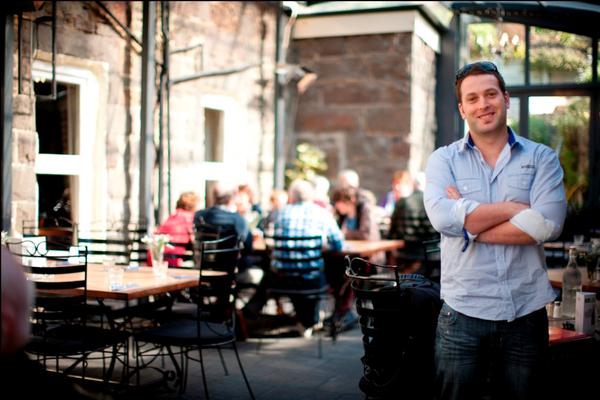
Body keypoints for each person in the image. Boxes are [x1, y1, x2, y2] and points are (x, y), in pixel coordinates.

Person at [424, 61, 567, 400]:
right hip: (461, 315)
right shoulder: (443, 161)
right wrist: (513, 210)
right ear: (462, 109)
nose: (482, 104)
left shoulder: (542, 158)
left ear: (506, 98)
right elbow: (442, 219)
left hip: (526, 315)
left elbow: (548, 224)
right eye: (472, 98)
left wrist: (467, 225)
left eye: (490, 94)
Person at [242, 179, 344, 336]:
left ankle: (248, 313)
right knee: (322, 273)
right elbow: (338, 245)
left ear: (291, 196)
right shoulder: (322, 214)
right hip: (310, 281)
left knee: (276, 273)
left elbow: (265, 235)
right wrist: (322, 246)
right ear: (311, 196)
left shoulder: (278, 213)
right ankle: (311, 321)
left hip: (280, 279)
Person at [387, 170, 437, 271]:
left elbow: (392, 232)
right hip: (431, 254)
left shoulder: (402, 202)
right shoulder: (431, 201)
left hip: (405, 254)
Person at [154, 191, 199, 266]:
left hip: (160, 258)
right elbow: (194, 239)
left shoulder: (172, 216)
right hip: (176, 260)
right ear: (193, 205)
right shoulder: (190, 217)